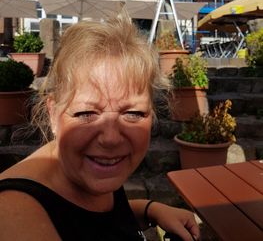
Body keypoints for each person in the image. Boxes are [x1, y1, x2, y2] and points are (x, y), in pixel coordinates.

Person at [0, 15, 200, 241]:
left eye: (133, 113)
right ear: (53, 114)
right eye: (86, 113)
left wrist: (149, 209)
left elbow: (91, 219)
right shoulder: (15, 215)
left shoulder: (87, 170)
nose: (111, 138)